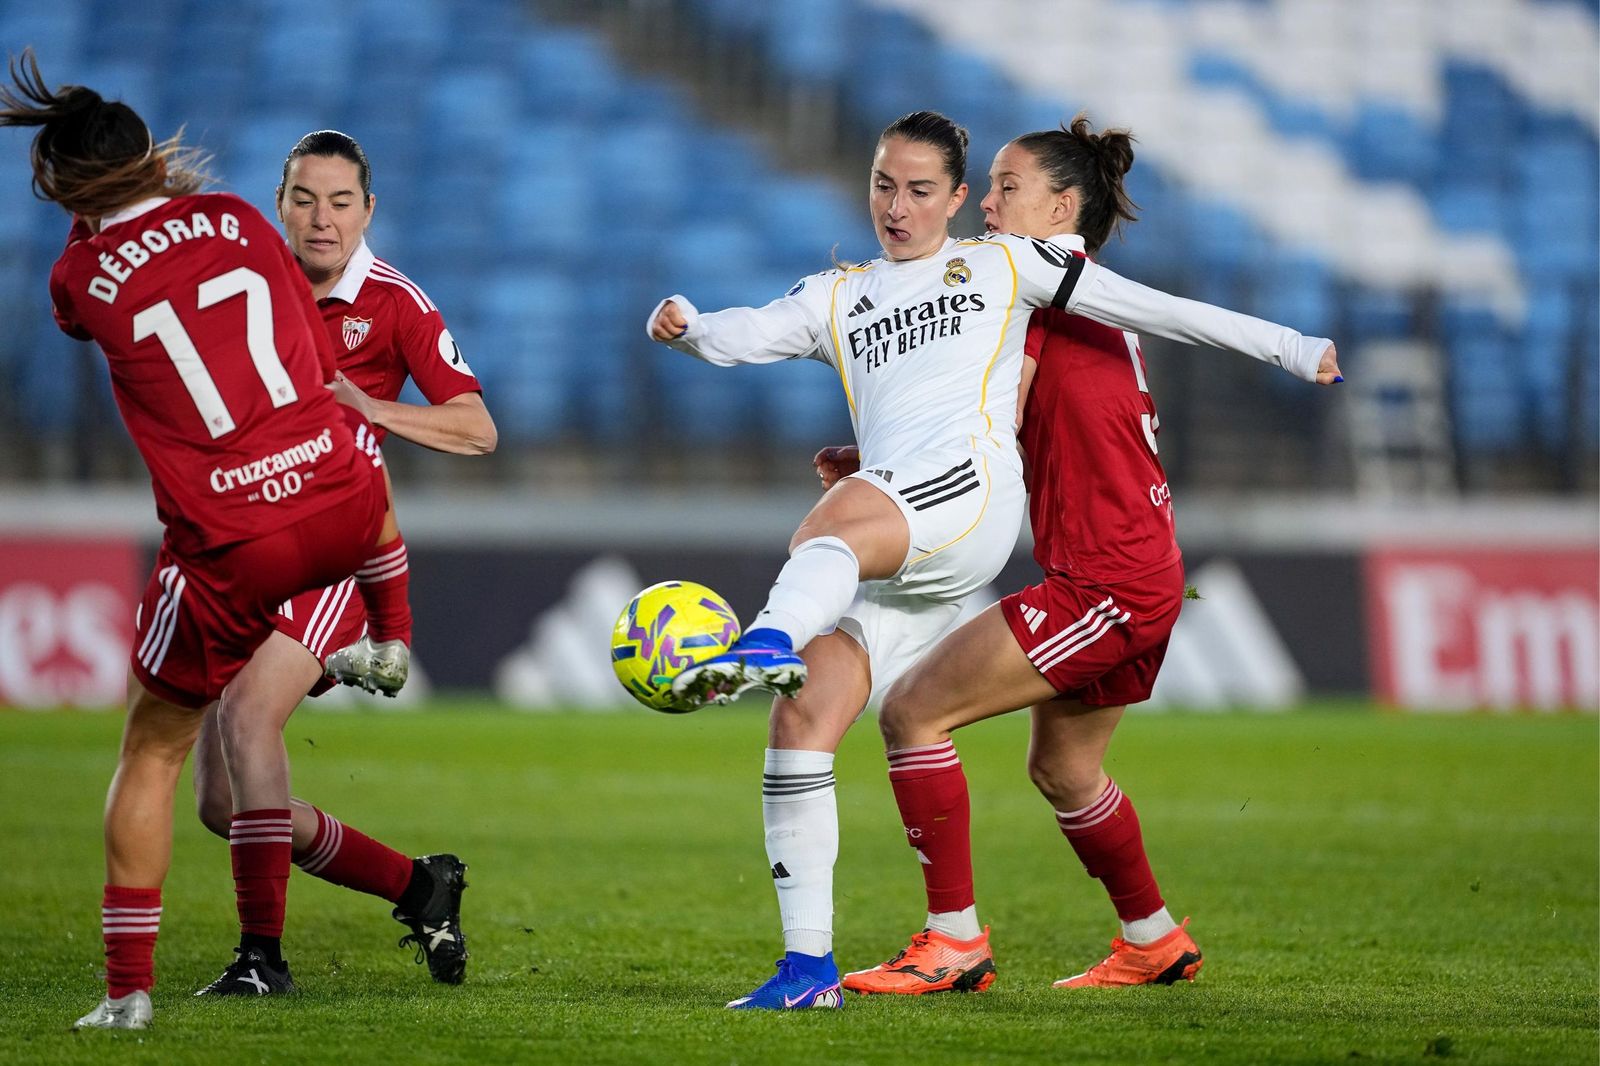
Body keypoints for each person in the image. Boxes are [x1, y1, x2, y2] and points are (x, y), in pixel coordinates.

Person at [646, 110, 1336, 1010]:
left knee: (917, 710)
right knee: (1064, 770)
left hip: (1105, 580)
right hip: (1135, 568)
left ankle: (954, 940)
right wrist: (869, 462)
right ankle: (1155, 940)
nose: (992, 206)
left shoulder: (1039, 292)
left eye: (1007, 189)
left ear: (1061, 209)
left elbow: (1030, 389)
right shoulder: (1032, 298)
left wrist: (1292, 347)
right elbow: (985, 412)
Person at [0, 52, 394, 1029]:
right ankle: (374, 887)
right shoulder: (245, 219)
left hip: (228, 538)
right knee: (244, 746)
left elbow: (80, 299)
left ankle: (128, 994)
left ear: (62, 186)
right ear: (153, 158)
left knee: (155, 749)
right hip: (338, 502)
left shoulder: (82, 275)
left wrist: (84, 205)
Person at [186, 130, 497, 990]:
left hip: (336, 551)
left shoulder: (395, 303)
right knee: (224, 803)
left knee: (251, 720)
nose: (322, 220)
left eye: (341, 201)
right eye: (304, 199)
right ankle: (420, 885)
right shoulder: (244, 288)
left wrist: (368, 407)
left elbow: (478, 428)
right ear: (279, 203)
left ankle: (262, 959)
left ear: (369, 210)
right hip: (245, 551)